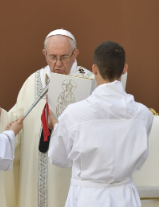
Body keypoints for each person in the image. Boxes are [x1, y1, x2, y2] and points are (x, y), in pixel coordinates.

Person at [0, 29, 93, 207]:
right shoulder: (33, 81)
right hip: (35, 171)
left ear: (75, 54)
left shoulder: (88, 81)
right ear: (44, 54)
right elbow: (20, 121)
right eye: (52, 57)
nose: (57, 63)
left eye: (64, 57)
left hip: (71, 170)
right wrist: (2, 117)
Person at [48, 41, 153, 207]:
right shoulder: (143, 115)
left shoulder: (73, 114)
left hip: (87, 198)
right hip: (125, 196)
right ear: (124, 69)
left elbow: (58, 158)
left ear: (94, 69)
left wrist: (58, 127)